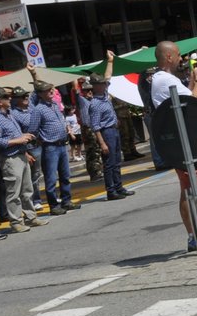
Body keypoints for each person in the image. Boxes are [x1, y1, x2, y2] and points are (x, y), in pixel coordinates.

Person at [147, 40, 197, 252]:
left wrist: (192, 81)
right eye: (178, 54)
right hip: (182, 141)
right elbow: (195, 102)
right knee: (192, 186)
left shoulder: (165, 79)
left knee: (190, 186)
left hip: (183, 138)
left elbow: (183, 101)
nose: (181, 58)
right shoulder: (164, 80)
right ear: (168, 57)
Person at [80, 53, 131, 200]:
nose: (105, 84)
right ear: (96, 86)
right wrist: (102, 143)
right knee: (109, 163)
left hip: (113, 129)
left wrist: (110, 61)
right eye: (102, 83)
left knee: (116, 161)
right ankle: (111, 190)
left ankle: (119, 187)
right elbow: (95, 126)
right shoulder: (95, 104)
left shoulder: (104, 95)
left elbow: (108, 75)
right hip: (106, 132)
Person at [0, 89, 37, 233]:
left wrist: (23, 137)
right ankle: (16, 221)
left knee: (27, 189)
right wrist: (18, 140)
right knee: (13, 192)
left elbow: (13, 135)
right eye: (6, 97)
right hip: (10, 158)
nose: (10, 99)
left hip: (20, 154)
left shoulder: (9, 115)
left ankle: (30, 217)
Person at [28, 78, 78, 214]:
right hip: (50, 146)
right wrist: (42, 139)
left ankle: (66, 201)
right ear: (40, 94)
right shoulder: (38, 110)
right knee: (51, 178)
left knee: (65, 175)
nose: (51, 91)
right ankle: (54, 205)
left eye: (51, 89)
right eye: (47, 90)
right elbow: (32, 129)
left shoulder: (55, 105)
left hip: (62, 145)